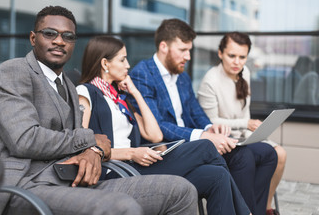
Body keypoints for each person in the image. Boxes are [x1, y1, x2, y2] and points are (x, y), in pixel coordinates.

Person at [0, 6, 200, 215]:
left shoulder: (69, 86)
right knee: (121, 207)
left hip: (72, 180)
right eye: (50, 33)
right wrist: (91, 139)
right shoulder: (14, 72)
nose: (60, 41)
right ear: (33, 38)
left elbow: (87, 145)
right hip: (23, 185)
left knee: (181, 190)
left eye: (68, 36)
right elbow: (25, 139)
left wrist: (94, 151)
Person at [76, 36, 251, 215]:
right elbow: (81, 147)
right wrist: (131, 153)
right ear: (105, 63)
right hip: (116, 171)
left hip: (136, 164)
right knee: (206, 146)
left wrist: (135, 93)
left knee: (216, 176)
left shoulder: (120, 98)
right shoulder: (86, 92)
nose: (128, 65)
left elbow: (155, 135)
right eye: (122, 59)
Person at [129, 18, 278, 215]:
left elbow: (195, 111)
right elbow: (158, 125)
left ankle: (255, 211)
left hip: (193, 142)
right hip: (170, 148)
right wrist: (202, 135)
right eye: (183, 50)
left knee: (268, 153)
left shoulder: (181, 75)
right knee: (242, 156)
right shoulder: (143, 74)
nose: (188, 56)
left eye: (189, 50)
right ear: (164, 46)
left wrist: (209, 127)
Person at [198, 32, 287, 215]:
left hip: (243, 138)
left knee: (276, 153)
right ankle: (252, 209)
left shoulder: (244, 72)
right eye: (232, 56)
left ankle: (261, 209)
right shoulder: (210, 81)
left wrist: (254, 135)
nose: (237, 62)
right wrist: (245, 123)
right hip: (223, 141)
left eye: (242, 57)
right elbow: (209, 122)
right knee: (254, 156)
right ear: (220, 53)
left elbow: (244, 110)